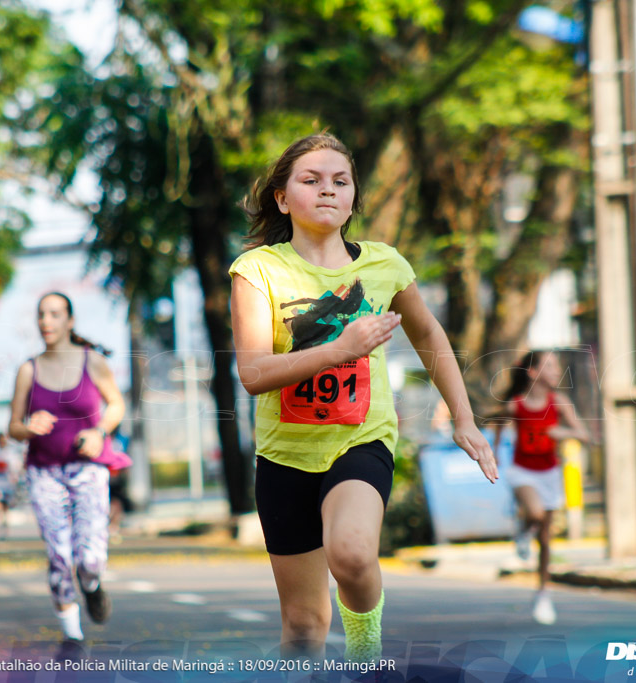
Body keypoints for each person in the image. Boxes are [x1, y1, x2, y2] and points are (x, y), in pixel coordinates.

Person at [229, 133, 497, 662]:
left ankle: (366, 656)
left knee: (352, 554)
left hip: (361, 439)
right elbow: (254, 372)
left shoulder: (384, 265)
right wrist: (341, 348)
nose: (327, 190)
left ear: (353, 197)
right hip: (285, 457)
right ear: (283, 198)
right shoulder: (258, 270)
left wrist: (463, 418)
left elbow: (429, 335)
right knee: (304, 629)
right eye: (311, 181)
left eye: (340, 181)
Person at [7, 292, 129, 661]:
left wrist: (98, 433)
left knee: (89, 557)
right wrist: (27, 427)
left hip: (87, 468)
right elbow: (12, 427)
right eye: (41, 314)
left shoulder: (92, 362)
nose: (46, 321)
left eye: (55, 314)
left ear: (69, 321)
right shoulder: (28, 369)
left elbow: (117, 404)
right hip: (44, 471)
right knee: (59, 554)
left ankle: (92, 585)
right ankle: (72, 635)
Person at [491, 350, 589, 625]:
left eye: (557, 366)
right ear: (533, 372)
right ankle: (522, 530)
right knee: (533, 513)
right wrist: (496, 452)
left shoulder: (559, 403)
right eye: (551, 365)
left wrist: (564, 433)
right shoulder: (516, 404)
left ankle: (543, 594)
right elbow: (499, 423)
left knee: (545, 541)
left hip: (550, 474)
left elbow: (584, 435)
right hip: (522, 472)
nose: (557, 371)